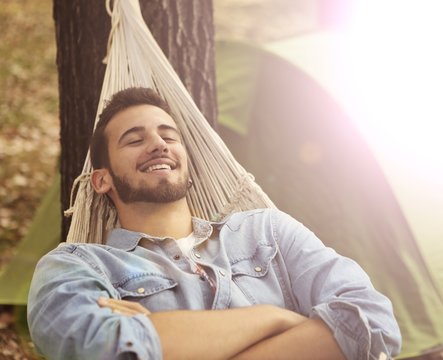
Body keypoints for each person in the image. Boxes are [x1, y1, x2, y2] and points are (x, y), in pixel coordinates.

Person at [27, 87, 401, 360]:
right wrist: (277, 319)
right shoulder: (78, 266)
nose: (158, 144)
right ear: (102, 179)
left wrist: (164, 339)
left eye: (168, 135)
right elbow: (99, 347)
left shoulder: (266, 231)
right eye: (134, 140)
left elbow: (369, 320)